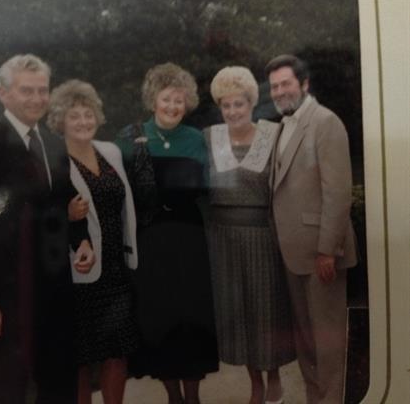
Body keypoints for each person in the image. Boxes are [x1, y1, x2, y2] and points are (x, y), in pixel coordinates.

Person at [0, 54, 95, 404]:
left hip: (54, 287)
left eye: (43, 90)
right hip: (9, 292)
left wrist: (82, 240)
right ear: (3, 92)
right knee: (10, 384)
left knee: (58, 380)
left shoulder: (53, 144)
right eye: (27, 91)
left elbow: (68, 201)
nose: (37, 99)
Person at [116, 62, 218, 404]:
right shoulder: (129, 138)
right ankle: (173, 395)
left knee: (193, 317)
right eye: (166, 99)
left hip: (189, 239)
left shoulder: (196, 139)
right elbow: (114, 192)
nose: (173, 106)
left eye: (179, 100)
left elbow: (209, 188)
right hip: (150, 240)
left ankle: (194, 397)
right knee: (159, 317)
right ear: (153, 100)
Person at [265, 54, 358, 403]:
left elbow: (338, 193)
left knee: (327, 345)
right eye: (274, 86)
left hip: (321, 255)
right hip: (293, 253)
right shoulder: (282, 126)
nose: (279, 91)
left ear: (304, 84)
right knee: (306, 344)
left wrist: (327, 250)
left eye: (286, 83)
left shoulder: (325, 122)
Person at [204, 66, 295, 404]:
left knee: (266, 309)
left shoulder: (273, 133)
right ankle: (255, 382)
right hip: (223, 240)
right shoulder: (210, 137)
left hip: (263, 237)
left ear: (252, 103)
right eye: (226, 105)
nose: (232, 112)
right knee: (238, 313)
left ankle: (274, 377)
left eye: (238, 104)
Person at [47, 79, 139, 404]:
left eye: (88, 114)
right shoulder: (54, 161)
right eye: (74, 116)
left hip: (116, 267)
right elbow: (39, 216)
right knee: (81, 357)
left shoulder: (110, 152)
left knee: (117, 350)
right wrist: (65, 214)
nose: (83, 122)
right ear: (60, 121)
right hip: (80, 272)